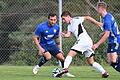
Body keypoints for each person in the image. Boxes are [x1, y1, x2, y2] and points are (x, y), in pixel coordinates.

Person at [56, 11, 109, 78]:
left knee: (70, 54)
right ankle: (104, 72)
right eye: (62, 19)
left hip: (83, 41)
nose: (63, 21)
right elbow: (68, 35)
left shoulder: (76, 20)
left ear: (68, 17)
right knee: (91, 62)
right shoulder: (69, 26)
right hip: (88, 42)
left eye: (64, 18)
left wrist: (97, 23)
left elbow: (87, 17)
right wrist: (64, 35)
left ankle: (65, 69)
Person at [32, 13, 74, 77]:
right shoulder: (41, 27)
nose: (53, 21)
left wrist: (59, 49)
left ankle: (65, 72)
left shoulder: (57, 27)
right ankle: (37, 67)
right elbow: (35, 38)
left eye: (54, 20)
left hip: (52, 45)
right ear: (48, 19)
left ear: (56, 20)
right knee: (48, 57)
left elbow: (56, 38)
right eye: (51, 20)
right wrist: (40, 48)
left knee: (62, 58)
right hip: (43, 45)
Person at [92, 1, 120, 72]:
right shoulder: (107, 17)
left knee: (114, 60)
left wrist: (97, 44)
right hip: (111, 41)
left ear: (101, 8)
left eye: (97, 8)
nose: (97, 10)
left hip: (115, 40)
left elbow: (107, 34)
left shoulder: (107, 19)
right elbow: (108, 30)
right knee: (110, 61)